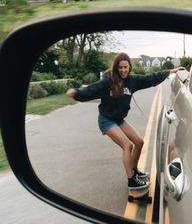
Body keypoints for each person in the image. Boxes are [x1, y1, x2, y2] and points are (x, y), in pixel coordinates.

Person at [66, 52, 184, 191]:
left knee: (139, 142)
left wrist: (171, 71)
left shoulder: (132, 81)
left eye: (125, 67)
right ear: (116, 68)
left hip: (119, 119)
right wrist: (76, 93)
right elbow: (90, 90)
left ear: (129, 67)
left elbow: (151, 78)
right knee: (127, 145)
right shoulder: (107, 82)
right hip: (106, 120)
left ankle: (134, 171)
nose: (123, 70)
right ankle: (131, 181)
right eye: (120, 67)